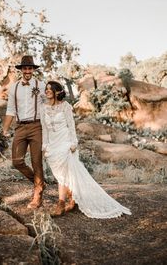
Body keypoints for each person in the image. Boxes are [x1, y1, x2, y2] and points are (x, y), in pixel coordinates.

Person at [40, 81, 131, 218]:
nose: (46, 91)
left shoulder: (65, 106)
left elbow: (71, 126)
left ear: (57, 92)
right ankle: (73, 198)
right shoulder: (43, 108)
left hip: (65, 143)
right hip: (52, 145)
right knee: (61, 174)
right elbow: (44, 129)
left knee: (63, 175)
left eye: (49, 89)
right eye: (46, 89)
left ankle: (60, 204)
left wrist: (73, 143)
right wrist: (45, 146)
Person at [2, 55, 45, 209]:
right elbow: (10, 109)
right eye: (25, 68)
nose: (27, 71)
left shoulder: (41, 85)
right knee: (17, 161)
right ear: (21, 70)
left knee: (36, 161)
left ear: (33, 70)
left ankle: (37, 194)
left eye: (30, 68)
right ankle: (39, 182)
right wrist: (5, 129)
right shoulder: (14, 87)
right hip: (20, 127)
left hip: (36, 127)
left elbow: (48, 105)